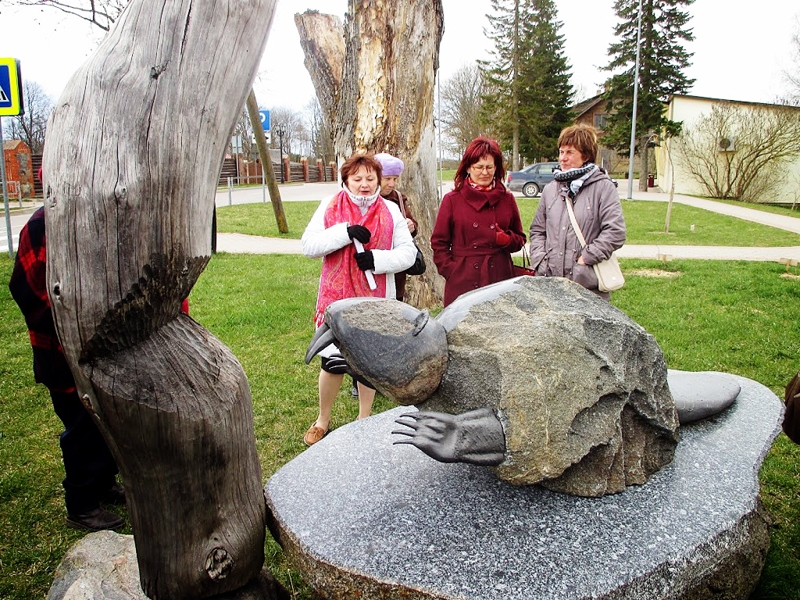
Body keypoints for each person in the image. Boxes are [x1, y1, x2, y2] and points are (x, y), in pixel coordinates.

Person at [9, 207, 126, 532]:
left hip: (97, 348)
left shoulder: (98, 213)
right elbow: (23, 286)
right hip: (60, 352)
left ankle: (102, 484)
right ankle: (81, 505)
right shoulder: (41, 224)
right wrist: (64, 323)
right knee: (82, 429)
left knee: (106, 423)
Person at [301, 153, 417, 446]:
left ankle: (364, 418)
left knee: (367, 363)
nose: (364, 185)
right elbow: (310, 245)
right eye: (357, 179)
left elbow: (408, 253)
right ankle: (322, 420)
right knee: (332, 363)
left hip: (374, 301)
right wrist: (344, 233)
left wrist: (375, 259)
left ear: (379, 180)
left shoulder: (390, 211)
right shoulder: (329, 206)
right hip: (336, 299)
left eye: (370, 179)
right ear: (346, 181)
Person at [529, 123, 626, 300]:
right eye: (561, 152)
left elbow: (615, 232)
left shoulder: (603, 188)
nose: (563, 158)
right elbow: (537, 231)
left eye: (570, 152)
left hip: (587, 286)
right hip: (551, 283)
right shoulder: (551, 190)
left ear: (586, 155)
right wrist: (540, 261)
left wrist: (585, 260)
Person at [431, 137, 526, 306]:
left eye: (489, 167)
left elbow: (520, 239)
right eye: (479, 167)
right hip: (463, 280)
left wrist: (505, 239)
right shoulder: (452, 200)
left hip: (500, 276)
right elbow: (439, 243)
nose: (485, 172)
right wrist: (451, 271)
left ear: (496, 168)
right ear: (468, 167)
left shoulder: (507, 199)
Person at [374, 152, 419, 301]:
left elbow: (412, 223)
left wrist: (412, 226)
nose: (392, 184)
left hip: (396, 272)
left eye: (395, 179)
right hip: (370, 269)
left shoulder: (398, 198)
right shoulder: (365, 199)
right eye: (387, 179)